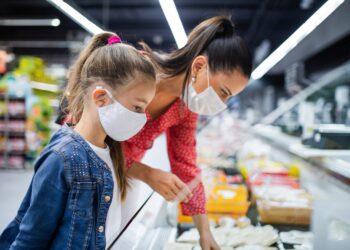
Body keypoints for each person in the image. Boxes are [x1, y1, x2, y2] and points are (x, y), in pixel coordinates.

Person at [0, 32, 156, 249]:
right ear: (101, 97)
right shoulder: (62, 158)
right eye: (137, 107)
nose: (142, 117)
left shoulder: (112, 151)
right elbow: (30, 240)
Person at [123, 16, 252, 250]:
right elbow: (91, 141)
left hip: (122, 177)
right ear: (199, 66)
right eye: (223, 92)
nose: (222, 103)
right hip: (80, 168)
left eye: (229, 98)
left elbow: (186, 166)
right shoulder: (136, 72)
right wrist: (147, 174)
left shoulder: (185, 107)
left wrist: (204, 232)